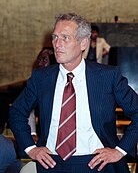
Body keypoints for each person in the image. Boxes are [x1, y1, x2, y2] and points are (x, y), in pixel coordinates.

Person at [9, 13, 138, 173]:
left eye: (65, 38)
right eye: (55, 37)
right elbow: (16, 112)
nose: (57, 44)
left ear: (83, 42)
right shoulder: (41, 78)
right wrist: (31, 148)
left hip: (97, 163)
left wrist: (120, 151)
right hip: (51, 164)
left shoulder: (107, 76)